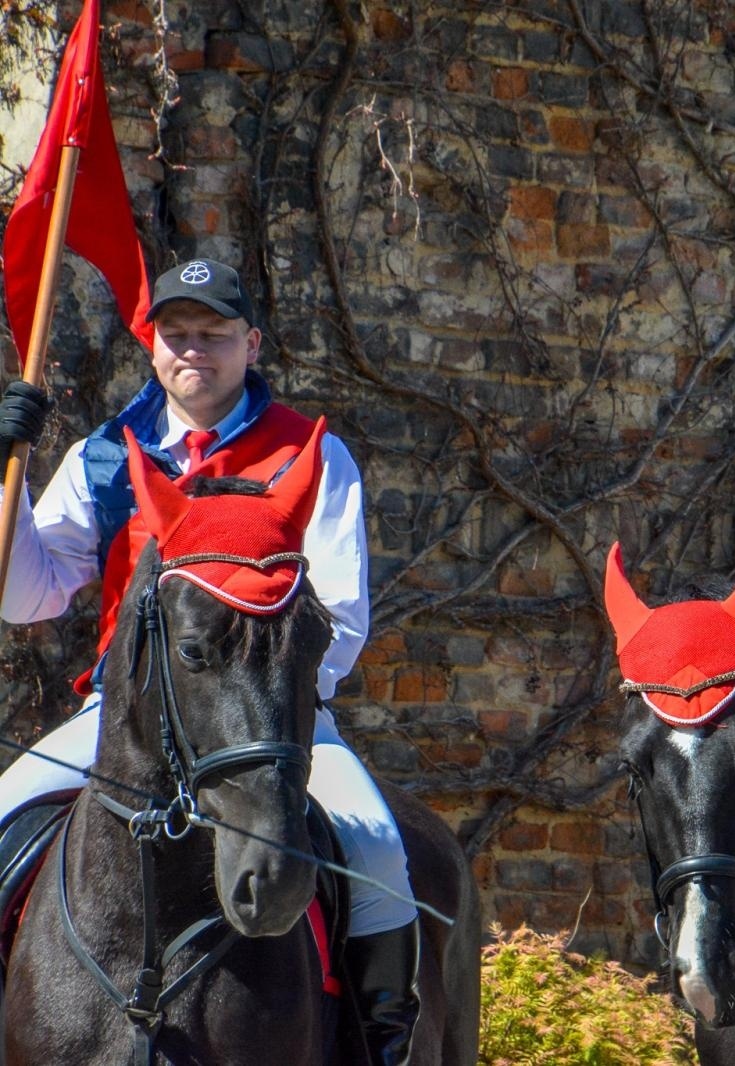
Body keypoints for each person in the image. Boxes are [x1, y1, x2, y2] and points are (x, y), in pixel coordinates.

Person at [0, 259, 421, 1065]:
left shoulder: (312, 455)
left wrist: (268, 712)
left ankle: (382, 1039)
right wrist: (6, 481)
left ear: (250, 343)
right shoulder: (102, 456)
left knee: (378, 853)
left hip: (262, 721)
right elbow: (28, 595)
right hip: (122, 722)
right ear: (153, 346)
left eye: (214, 335)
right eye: (176, 334)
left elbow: (343, 614)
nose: (194, 350)